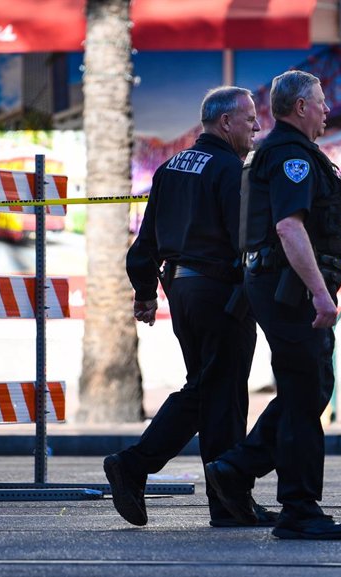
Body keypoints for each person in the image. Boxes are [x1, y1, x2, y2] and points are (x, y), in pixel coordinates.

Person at [103, 86, 277, 529]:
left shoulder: (169, 169)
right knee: (220, 393)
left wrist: (144, 291)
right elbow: (247, 242)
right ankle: (135, 465)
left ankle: (226, 504)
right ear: (224, 123)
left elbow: (145, 242)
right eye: (250, 118)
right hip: (221, 293)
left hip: (182, 293)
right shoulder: (230, 171)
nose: (257, 125)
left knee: (211, 391)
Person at [205, 70, 341, 540]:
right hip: (289, 290)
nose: (327, 109)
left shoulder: (280, 152)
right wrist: (318, 292)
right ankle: (299, 509)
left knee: (309, 390)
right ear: (298, 108)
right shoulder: (290, 155)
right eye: (320, 101)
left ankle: (237, 468)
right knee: (302, 395)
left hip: (277, 286)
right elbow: (289, 228)